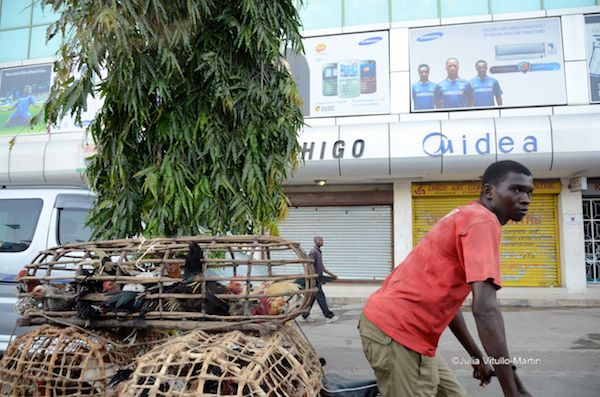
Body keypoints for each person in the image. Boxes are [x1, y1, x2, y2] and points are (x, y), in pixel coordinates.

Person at [359, 160, 534, 397]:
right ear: (489, 191)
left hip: (405, 332)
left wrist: (477, 357)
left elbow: (449, 306)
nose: (525, 199)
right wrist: (514, 391)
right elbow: (486, 310)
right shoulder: (482, 222)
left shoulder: (469, 215)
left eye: (528, 192)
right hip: (396, 332)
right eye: (516, 189)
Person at [301, 236, 340, 323]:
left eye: (322, 240)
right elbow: (308, 264)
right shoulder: (313, 252)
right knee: (321, 297)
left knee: (312, 298)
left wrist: (332, 275)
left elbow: (321, 267)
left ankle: (304, 315)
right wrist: (311, 277)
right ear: (315, 242)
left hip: (318, 278)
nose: (322, 241)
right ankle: (329, 316)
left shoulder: (319, 252)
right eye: (320, 240)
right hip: (314, 279)